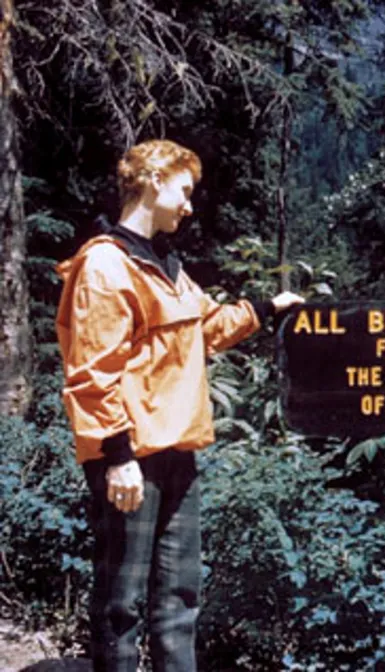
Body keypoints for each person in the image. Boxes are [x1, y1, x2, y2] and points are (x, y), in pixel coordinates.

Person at [55, 139, 304, 671]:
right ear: (154, 179)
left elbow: (207, 326)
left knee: (179, 602)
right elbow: (90, 372)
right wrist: (118, 455)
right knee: (120, 605)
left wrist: (267, 308)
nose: (190, 206)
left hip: (177, 452)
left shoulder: (167, 264)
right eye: (185, 191)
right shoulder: (104, 264)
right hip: (128, 457)